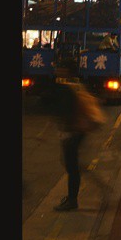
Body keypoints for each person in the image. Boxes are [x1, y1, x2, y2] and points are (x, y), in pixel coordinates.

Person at [45, 59, 97, 211]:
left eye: (59, 68)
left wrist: (67, 132)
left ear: (65, 71)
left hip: (73, 132)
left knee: (72, 167)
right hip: (77, 131)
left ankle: (72, 200)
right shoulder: (75, 85)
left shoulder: (67, 88)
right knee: (70, 165)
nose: (56, 70)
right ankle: (71, 197)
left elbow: (65, 111)